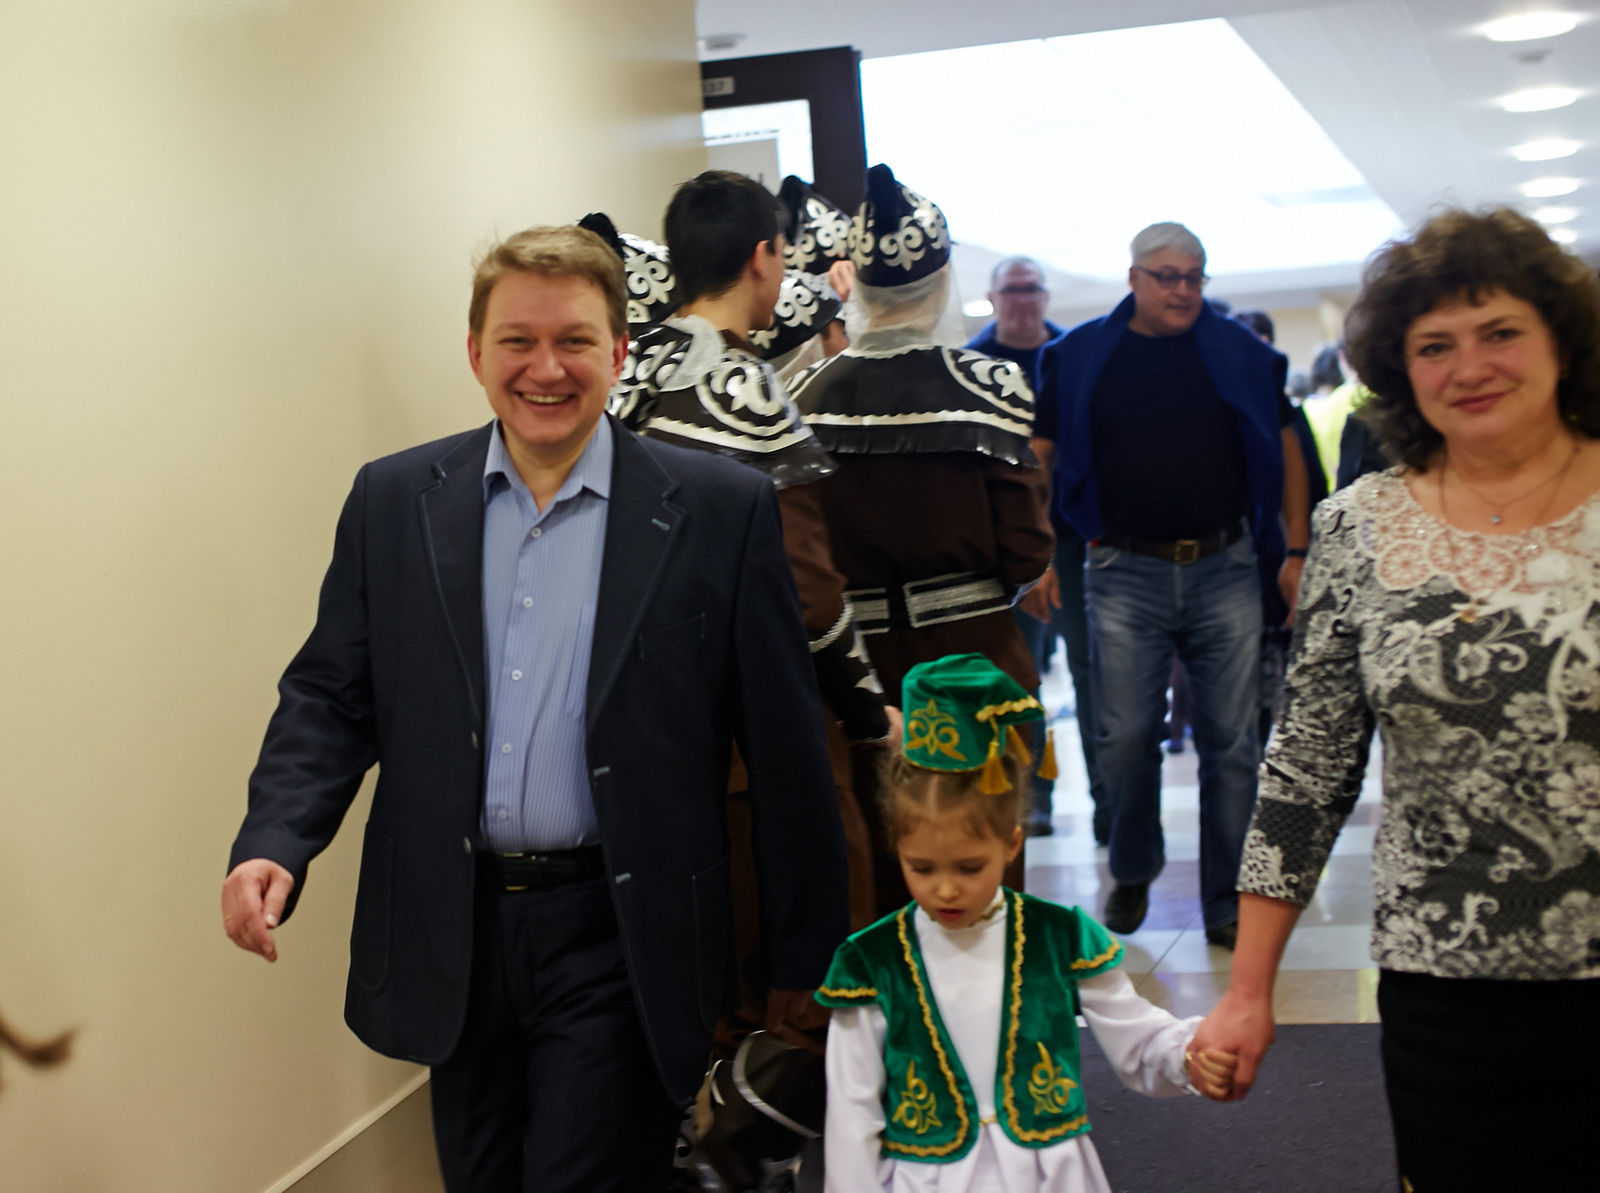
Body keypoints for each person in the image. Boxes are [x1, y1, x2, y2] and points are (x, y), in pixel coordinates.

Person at [221, 224, 849, 1193]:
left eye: (574, 341)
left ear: (619, 351)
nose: (545, 369)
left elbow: (783, 742)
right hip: (452, 929)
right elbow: (332, 695)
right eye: (517, 341)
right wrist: (276, 838)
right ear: (476, 352)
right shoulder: (394, 501)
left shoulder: (716, 510)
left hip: (621, 928)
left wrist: (807, 953)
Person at [1192, 207, 1600, 1190]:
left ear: (1559, 340)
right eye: (1434, 345)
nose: (1471, 366)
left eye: (1499, 331)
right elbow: (1307, 769)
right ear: (1399, 368)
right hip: (1443, 977)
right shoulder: (1358, 527)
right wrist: (1246, 990)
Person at [817, 654, 1237, 1193]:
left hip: (1051, 1177)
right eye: (921, 867)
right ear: (896, 846)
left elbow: (1138, 1038)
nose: (945, 889)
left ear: (1012, 844)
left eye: (970, 867)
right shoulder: (871, 962)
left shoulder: (1060, 938)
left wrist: (1189, 1054)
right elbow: (852, 1109)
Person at [788, 164, 1055, 911]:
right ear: (942, 284)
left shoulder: (799, 399)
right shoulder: (990, 389)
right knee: (983, 855)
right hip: (977, 659)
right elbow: (1029, 549)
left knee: (883, 865)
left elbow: (800, 552)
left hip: (856, 673)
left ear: (857, 287)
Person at [1034, 222, 1288, 949]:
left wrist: (1296, 545)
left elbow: (1286, 441)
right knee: (1125, 735)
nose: (1182, 290)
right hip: (1123, 569)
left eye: (1194, 276)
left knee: (1232, 742)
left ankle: (1227, 898)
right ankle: (1134, 865)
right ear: (1134, 279)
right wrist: (1039, 553)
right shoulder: (1081, 356)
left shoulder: (1238, 353)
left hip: (1224, 564)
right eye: (1167, 276)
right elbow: (1040, 456)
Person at [967, 257, 1102, 840]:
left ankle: (1107, 800)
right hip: (1003, 548)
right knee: (1022, 677)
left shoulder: (1073, 357)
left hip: (1074, 539)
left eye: (1031, 290)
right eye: (1012, 290)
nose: (1022, 300)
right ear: (994, 297)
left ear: (1045, 297)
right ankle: (1033, 799)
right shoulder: (970, 366)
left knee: (1092, 671)